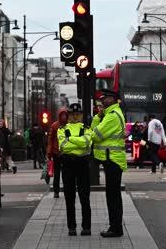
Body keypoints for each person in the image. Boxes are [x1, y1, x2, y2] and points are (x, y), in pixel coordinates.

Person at [89, 89, 127, 238]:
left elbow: (96, 135)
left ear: (112, 99)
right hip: (112, 159)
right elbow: (95, 129)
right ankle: (116, 227)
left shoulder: (112, 117)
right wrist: (98, 117)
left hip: (112, 159)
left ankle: (116, 228)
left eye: (104, 99)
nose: (102, 101)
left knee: (113, 197)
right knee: (113, 195)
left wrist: (88, 135)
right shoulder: (110, 114)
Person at [57, 103, 92, 235]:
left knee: (85, 197)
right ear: (68, 115)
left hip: (82, 164)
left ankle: (86, 227)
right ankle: (71, 227)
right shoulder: (62, 128)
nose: (75, 116)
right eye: (72, 114)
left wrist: (70, 139)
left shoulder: (86, 128)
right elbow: (63, 146)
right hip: (68, 164)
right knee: (69, 197)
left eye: (78, 114)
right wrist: (79, 142)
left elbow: (87, 143)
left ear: (82, 115)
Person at [47, 108, 69, 198]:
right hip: (57, 152)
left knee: (66, 173)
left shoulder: (69, 125)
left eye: (65, 115)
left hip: (66, 152)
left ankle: (66, 190)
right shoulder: (55, 125)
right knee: (57, 174)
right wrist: (49, 152)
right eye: (62, 115)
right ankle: (56, 191)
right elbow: (50, 140)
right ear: (60, 116)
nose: (63, 117)